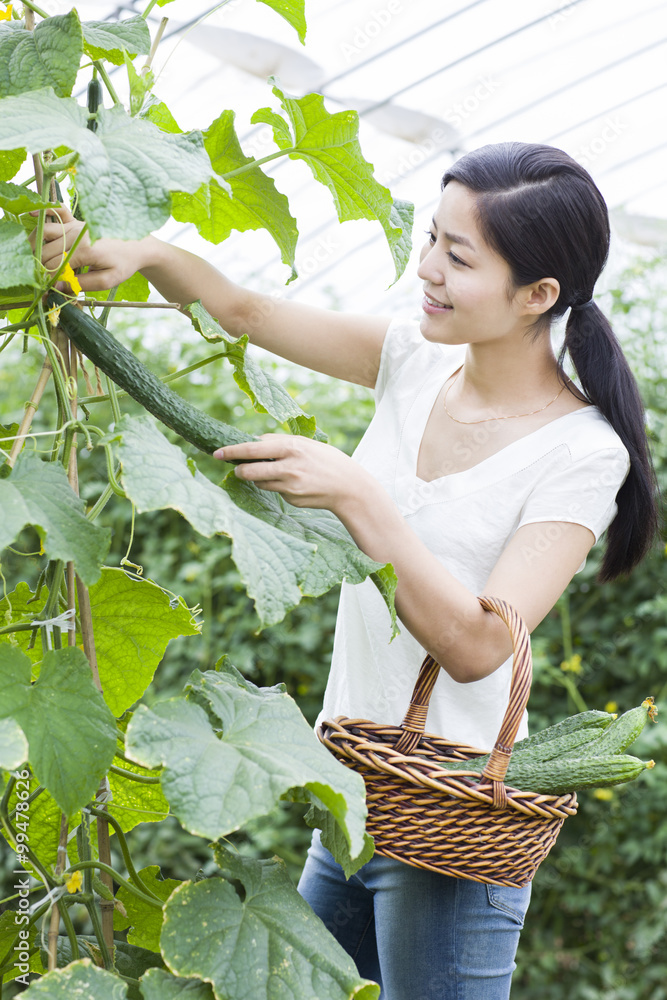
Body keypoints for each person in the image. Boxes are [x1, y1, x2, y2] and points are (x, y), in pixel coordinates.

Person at [39, 141, 658, 999]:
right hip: (353, 798)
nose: (427, 269)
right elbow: (247, 311)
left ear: (538, 295)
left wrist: (361, 498)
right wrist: (147, 256)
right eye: (430, 238)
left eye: (458, 255)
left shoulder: (580, 454)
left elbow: (483, 646)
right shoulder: (416, 356)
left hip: (448, 828)